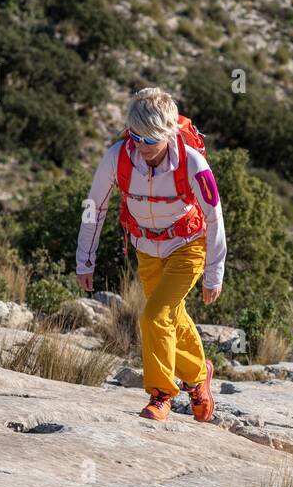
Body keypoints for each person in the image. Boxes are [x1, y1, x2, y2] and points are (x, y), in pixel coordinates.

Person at [76, 87, 225, 422]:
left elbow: (214, 215)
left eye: (149, 141)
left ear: (168, 133)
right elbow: (94, 207)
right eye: (135, 137)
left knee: (154, 315)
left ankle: (161, 395)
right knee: (171, 315)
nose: (140, 147)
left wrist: (215, 272)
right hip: (146, 248)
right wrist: (85, 258)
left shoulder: (192, 161)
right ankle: (199, 374)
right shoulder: (118, 155)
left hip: (187, 247)